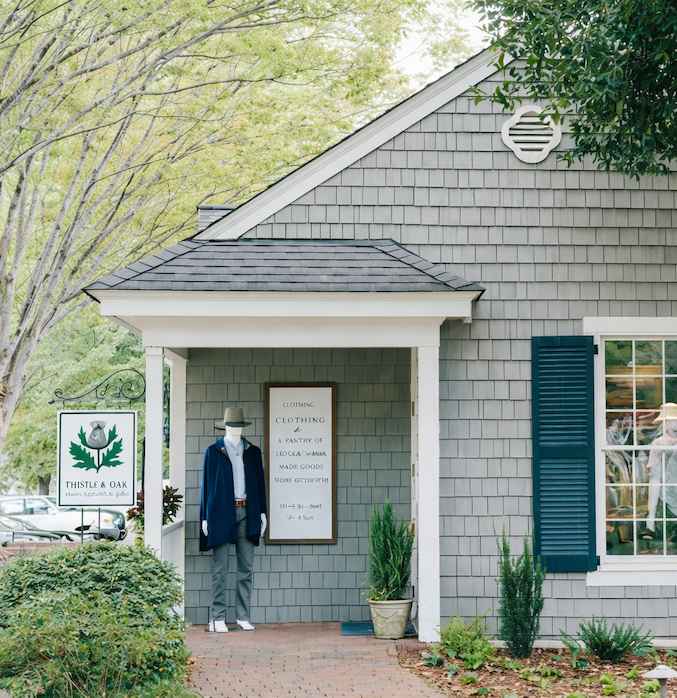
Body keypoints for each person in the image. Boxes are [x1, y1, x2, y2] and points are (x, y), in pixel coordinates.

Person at [200, 407, 267, 633]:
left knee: (246, 567)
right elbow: (206, 486)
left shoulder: (253, 452)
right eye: (232, 425)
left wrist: (262, 513)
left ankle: (242, 616)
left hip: (247, 511)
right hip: (220, 512)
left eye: (239, 426)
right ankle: (217, 617)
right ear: (225, 426)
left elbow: (260, 485)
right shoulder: (213, 451)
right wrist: (204, 517)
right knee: (220, 567)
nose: (236, 430)